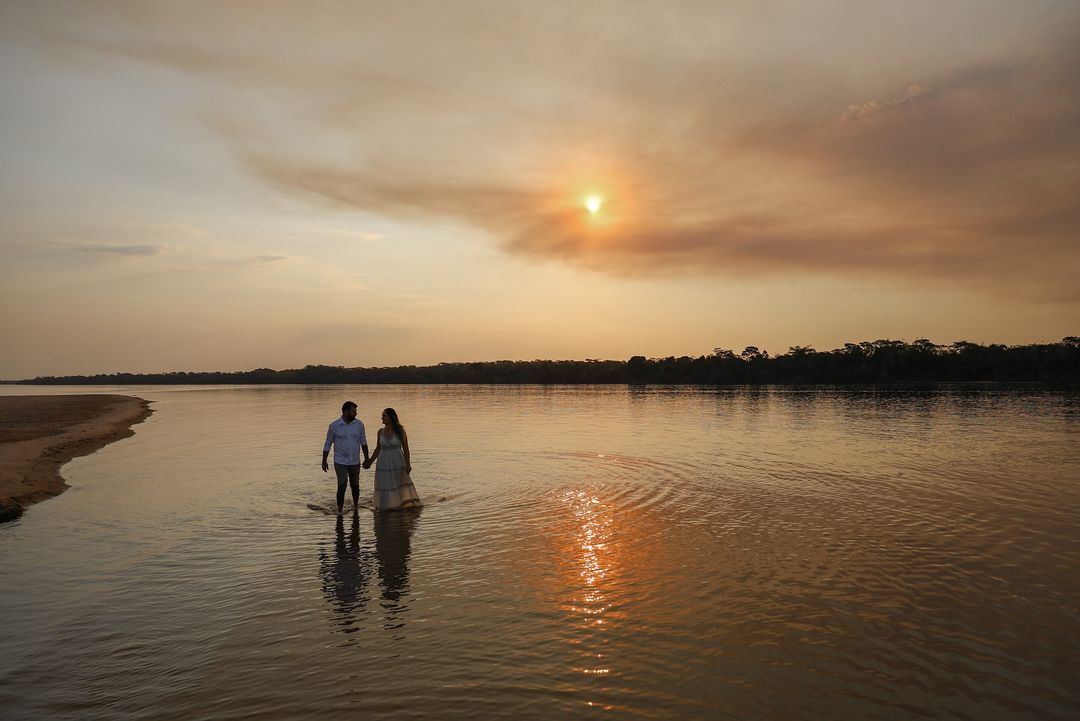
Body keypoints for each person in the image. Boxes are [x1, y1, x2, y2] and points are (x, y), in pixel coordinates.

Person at [363, 408, 421, 511]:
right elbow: (378, 449)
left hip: (398, 462)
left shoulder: (400, 431)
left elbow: (406, 449)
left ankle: (401, 504)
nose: (382, 418)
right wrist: (370, 461)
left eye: (384, 416)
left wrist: (408, 464)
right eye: (382, 416)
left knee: (398, 484)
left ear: (391, 417)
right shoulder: (380, 432)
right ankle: (384, 506)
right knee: (384, 484)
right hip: (383, 463)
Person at [322, 401, 370, 515]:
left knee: (355, 485)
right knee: (342, 484)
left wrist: (367, 459)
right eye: (353, 411)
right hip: (340, 462)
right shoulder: (334, 426)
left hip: (355, 461)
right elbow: (328, 443)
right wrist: (324, 461)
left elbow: (363, 442)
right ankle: (339, 511)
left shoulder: (359, 425)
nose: (356, 413)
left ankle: (356, 506)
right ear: (345, 411)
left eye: (356, 411)